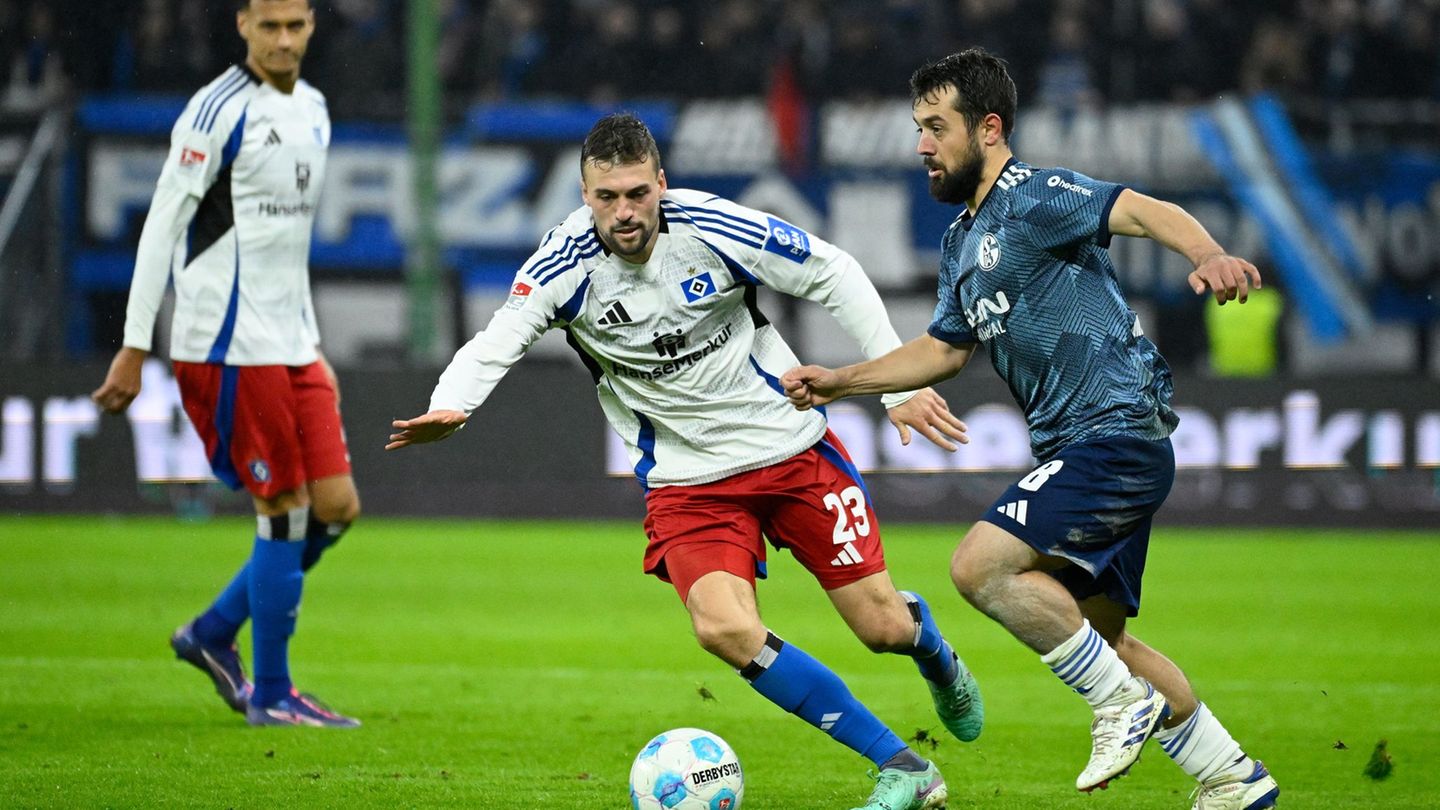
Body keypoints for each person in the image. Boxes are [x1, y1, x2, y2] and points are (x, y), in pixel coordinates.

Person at [388, 113, 979, 810]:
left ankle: (931, 648)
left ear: (661, 183)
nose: (624, 212)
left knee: (882, 628)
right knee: (725, 629)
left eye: (637, 193)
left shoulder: (713, 228)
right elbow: (497, 340)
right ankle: (902, 765)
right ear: (584, 195)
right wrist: (453, 403)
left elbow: (832, 271)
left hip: (790, 448)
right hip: (687, 482)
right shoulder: (562, 265)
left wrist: (897, 387)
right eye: (606, 198)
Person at [781, 49, 1280, 810]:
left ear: (988, 128)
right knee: (1103, 641)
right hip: (1092, 445)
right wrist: (843, 381)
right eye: (918, 127)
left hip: (1113, 433)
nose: (922, 145)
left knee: (979, 568)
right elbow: (944, 350)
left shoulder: (1038, 194)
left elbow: (1145, 210)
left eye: (936, 127)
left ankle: (1119, 707)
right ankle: (1233, 780)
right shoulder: (960, 242)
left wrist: (1208, 253)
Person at [92, 0, 359, 728]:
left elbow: (286, 247)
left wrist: (312, 347)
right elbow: (161, 229)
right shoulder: (214, 112)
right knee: (283, 509)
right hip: (226, 344)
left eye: (294, 26)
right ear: (242, 23)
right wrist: (134, 342)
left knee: (335, 510)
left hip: (290, 343)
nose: (281, 40)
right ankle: (272, 693)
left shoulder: (314, 110)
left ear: (310, 27)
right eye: (267, 25)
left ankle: (210, 634)